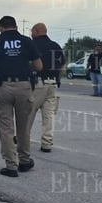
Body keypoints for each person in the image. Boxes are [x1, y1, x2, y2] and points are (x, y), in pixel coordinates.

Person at [0, 16, 42, 178]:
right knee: (23, 127)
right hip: (24, 86)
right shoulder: (27, 42)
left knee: (6, 128)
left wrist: (0, 62)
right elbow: (39, 66)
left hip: (3, 87)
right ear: (16, 27)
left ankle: (11, 165)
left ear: (0, 28)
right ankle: (24, 160)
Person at [27, 23, 65, 153]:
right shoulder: (55, 46)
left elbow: (30, 64)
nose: (31, 34)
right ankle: (47, 143)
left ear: (37, 31)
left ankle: (23, 139)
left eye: (32, 32)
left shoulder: (33, 45)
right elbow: (62, 64)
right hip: (52, 84)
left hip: (37, 83)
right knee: (49, 115)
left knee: (28, 113)